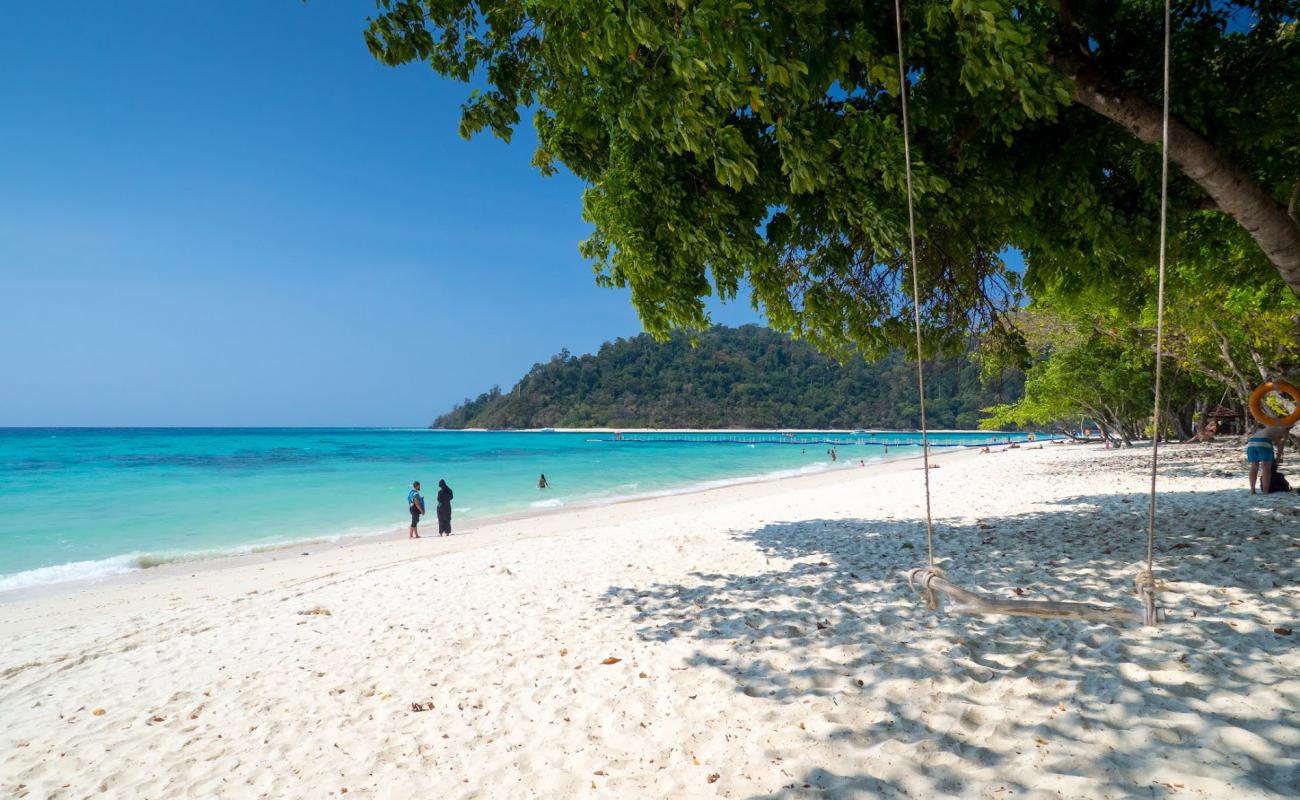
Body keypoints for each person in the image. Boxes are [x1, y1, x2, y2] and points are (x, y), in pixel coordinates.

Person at [1246, 425, 1286, 494]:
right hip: (1264, 443)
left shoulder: (1261, 428)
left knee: (1254, 467)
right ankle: (1265, 491)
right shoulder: (1281, 429)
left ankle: (1252, 490)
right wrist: (1278, 458)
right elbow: (1280, 444)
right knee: (1266, 469)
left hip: (1251, 443)